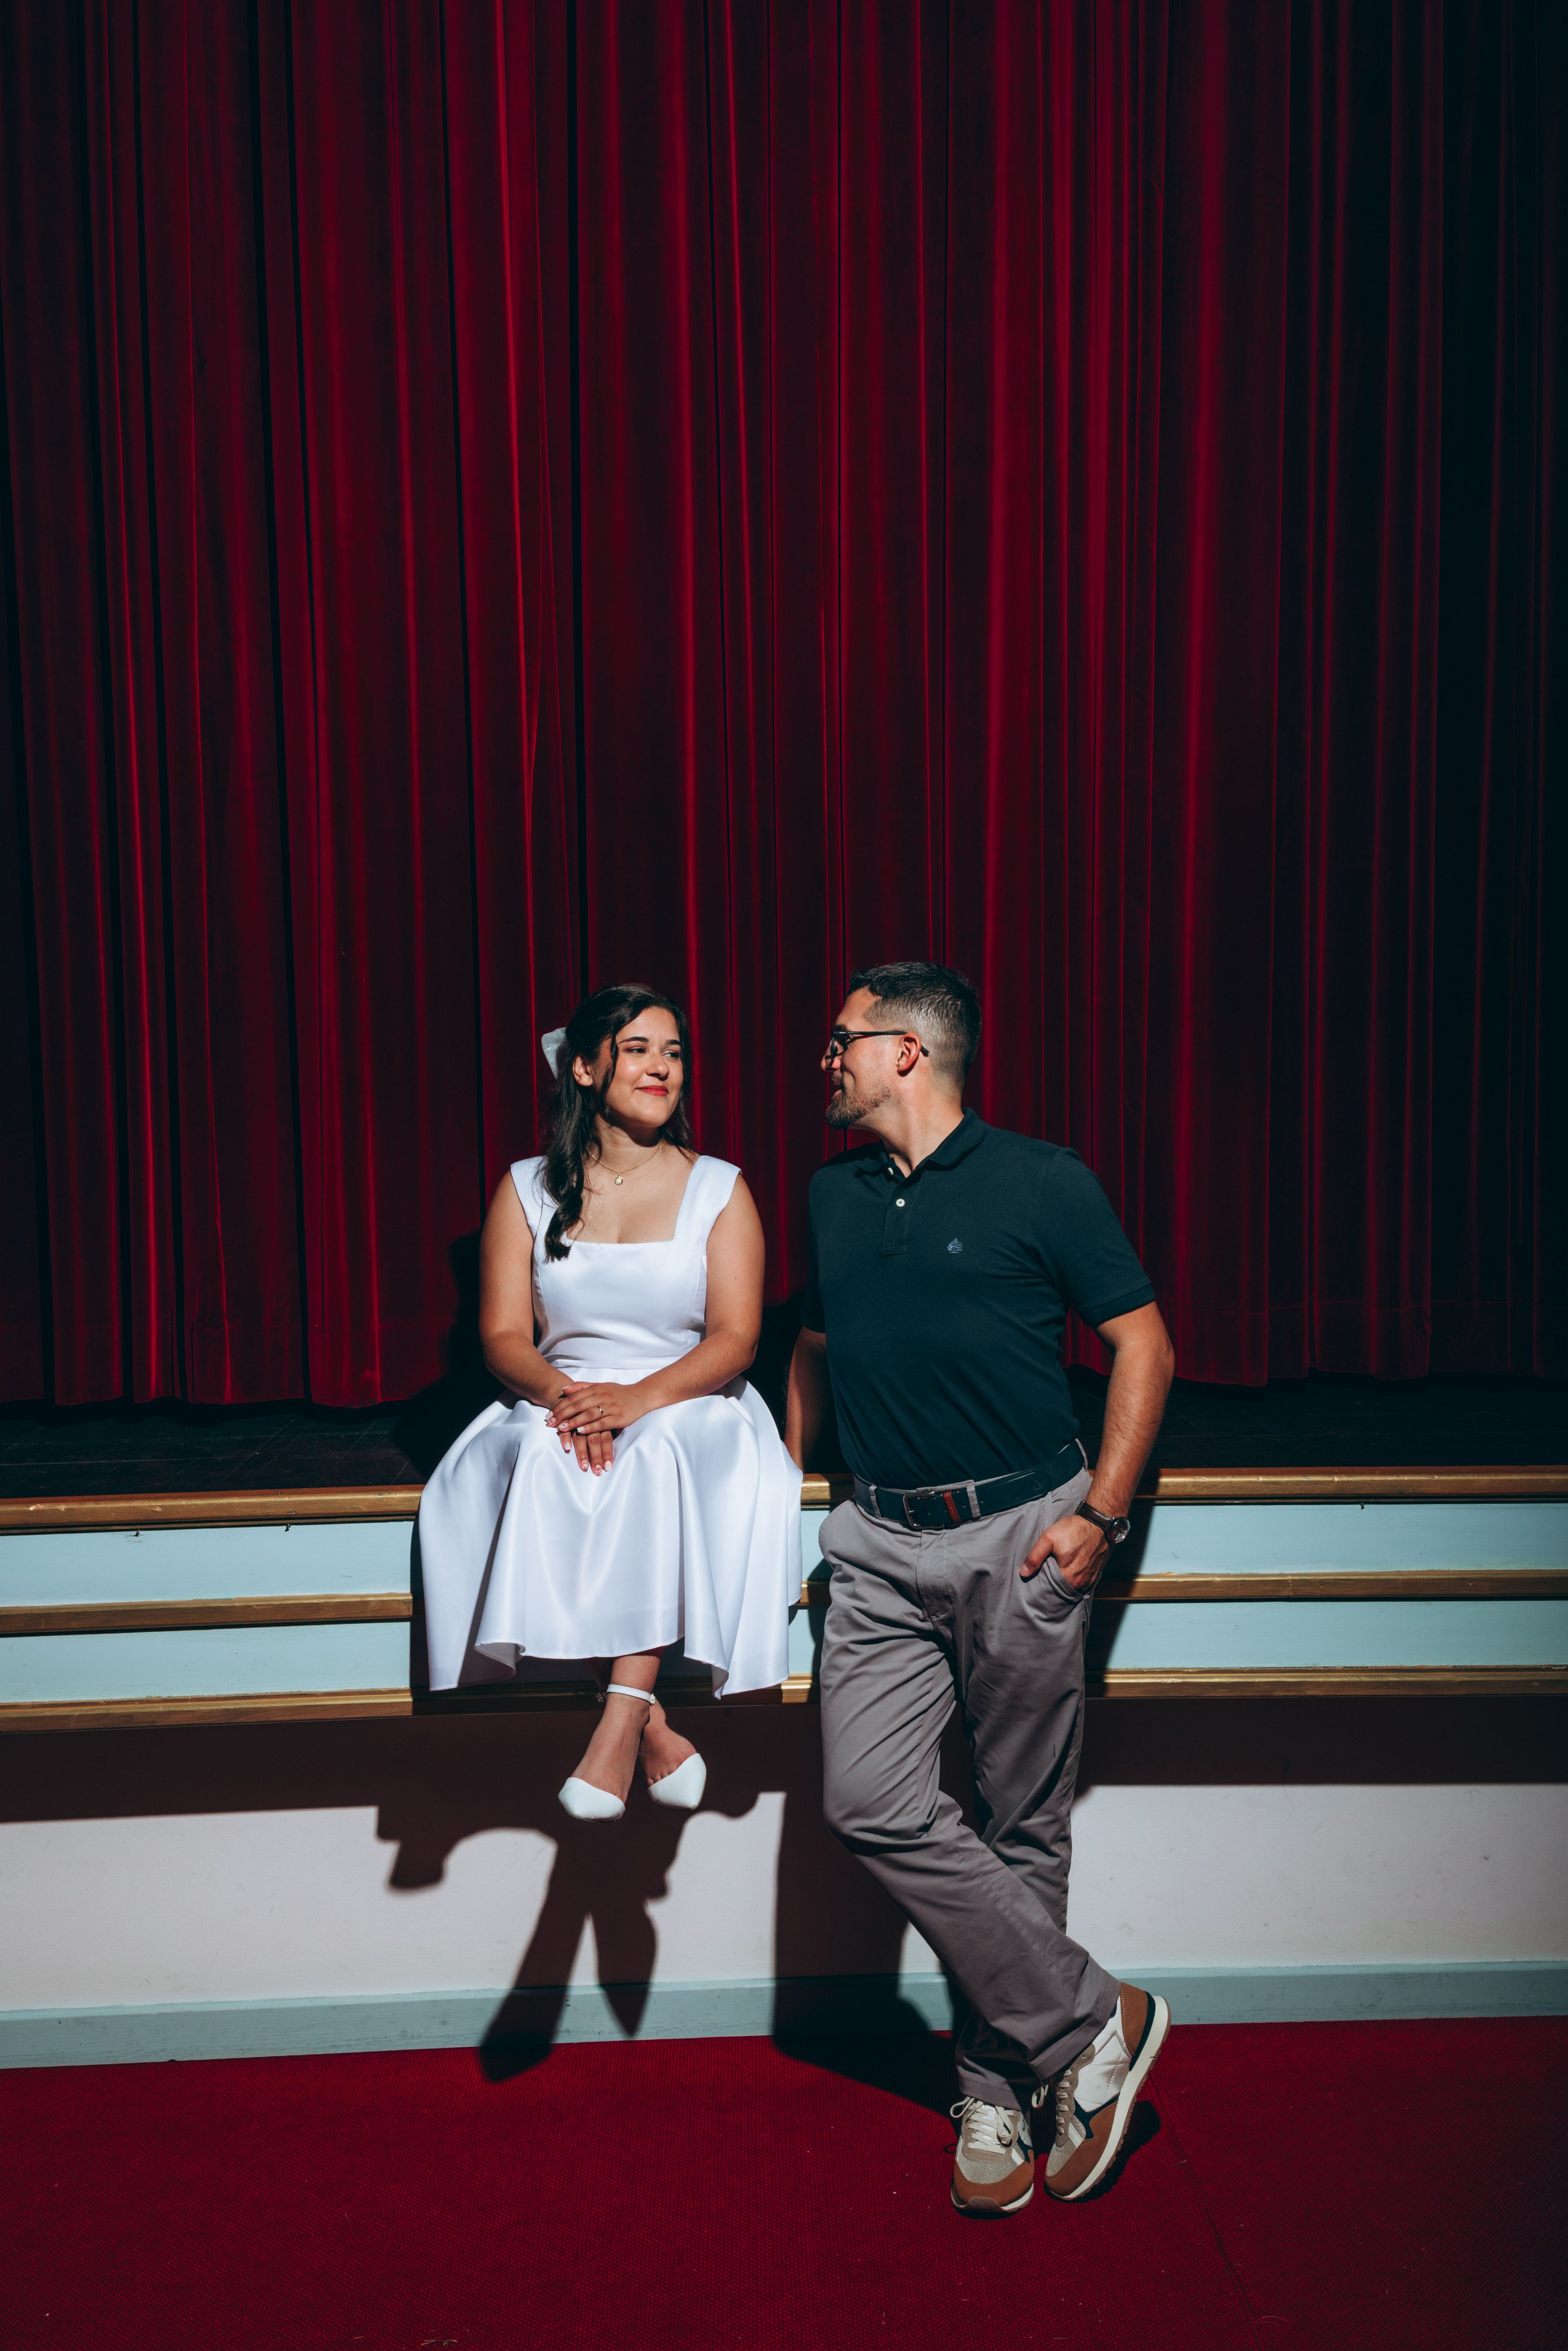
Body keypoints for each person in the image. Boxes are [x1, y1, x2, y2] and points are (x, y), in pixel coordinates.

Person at [786, 961, 1176, 2216]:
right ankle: (1087, 2018)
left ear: (907, 1049)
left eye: (840, 1038)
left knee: (1022, 1823)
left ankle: (999, 2092)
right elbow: (815, 1342)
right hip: (877, 1539)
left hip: (1021, 1529)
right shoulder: (827, 1193)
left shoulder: (1042, 1179)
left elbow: (1141, 1343)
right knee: (867, 1799)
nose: (824, 1057)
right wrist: (792, 1488)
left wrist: (1099, 1518)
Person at [420, 983, 801, 1821]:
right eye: (639, 1048)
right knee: (536, 1452)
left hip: (693, 1397)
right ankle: (651, 1724)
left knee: (652, 1450)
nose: (663, 1066)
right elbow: (502, 1338)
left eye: (674, 1052)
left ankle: (615, 1723)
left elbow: (737, 1339)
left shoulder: (721, 1189)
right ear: (586, 1067)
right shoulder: (523, 1188)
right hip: (562, 1396)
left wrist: (635, 1401)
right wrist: (573, 1400)